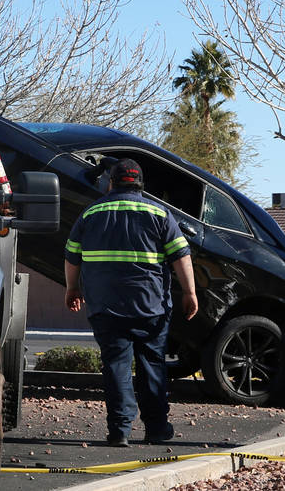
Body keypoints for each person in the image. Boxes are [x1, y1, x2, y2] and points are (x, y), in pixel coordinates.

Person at [64, 158, 198, 447]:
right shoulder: (158, 212)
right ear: (140, 184)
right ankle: (157, 428)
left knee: (116, 366)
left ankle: (119, 431)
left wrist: (72, 289)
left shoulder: (91, 213)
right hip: (150, 307)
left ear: (111, 182)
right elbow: (180, 255)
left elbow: (72, 255)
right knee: (152, 365)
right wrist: (190, 292)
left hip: (106, 307)